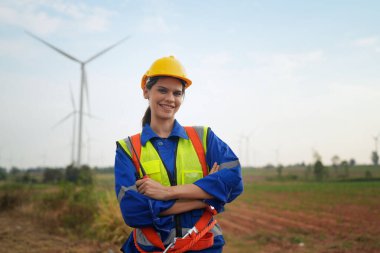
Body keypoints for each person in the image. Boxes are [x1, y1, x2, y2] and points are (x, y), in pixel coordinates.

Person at [114, 56, 243, 253]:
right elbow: (132, 211)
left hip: (204, 246)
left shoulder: (204, 137)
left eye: (177, 93)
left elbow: (234, 181)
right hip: (150, 249)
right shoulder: (128, 148)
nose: (170, 99)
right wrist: (204, 197)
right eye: (162, 90)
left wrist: (166, 192)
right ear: (146, 91)